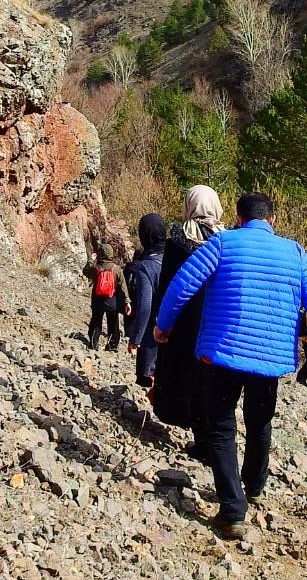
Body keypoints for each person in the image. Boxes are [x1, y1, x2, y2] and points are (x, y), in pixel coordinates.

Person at [154, 191, 307, 540]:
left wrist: (162, 326)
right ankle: (253, 485)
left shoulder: (222, 244)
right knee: (259, 422)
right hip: (269, 361)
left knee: (221, 427)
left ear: (239, 219)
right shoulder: (295, 254)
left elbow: (182, 285)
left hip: (222, 355)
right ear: (272, 220)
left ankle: (232, 510)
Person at [149, 185, 224, 462]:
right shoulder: (225, 241)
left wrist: (160, 320)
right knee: (208, 380)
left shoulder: (177, 240)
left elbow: (168, 284)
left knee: (182, 373)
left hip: (182, 320)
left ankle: (184, 420)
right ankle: (207, 440)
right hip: (214, 320)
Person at [124, 213, 167, 386]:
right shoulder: (177, 257)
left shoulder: (146, 267)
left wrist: (135, 339)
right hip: (177, 329)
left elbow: (144, 307)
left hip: (153, 334)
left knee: (150, 377)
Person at [85, 254, 128, 351]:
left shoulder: (96, 267)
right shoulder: (116, 268)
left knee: (96, 320)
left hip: (97, 300)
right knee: (113, 322)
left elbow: (86, 271)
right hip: (111, 300)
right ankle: (112, 345)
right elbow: (123, 286)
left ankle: (93, 343)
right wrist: (127, 300)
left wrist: (91, 260)